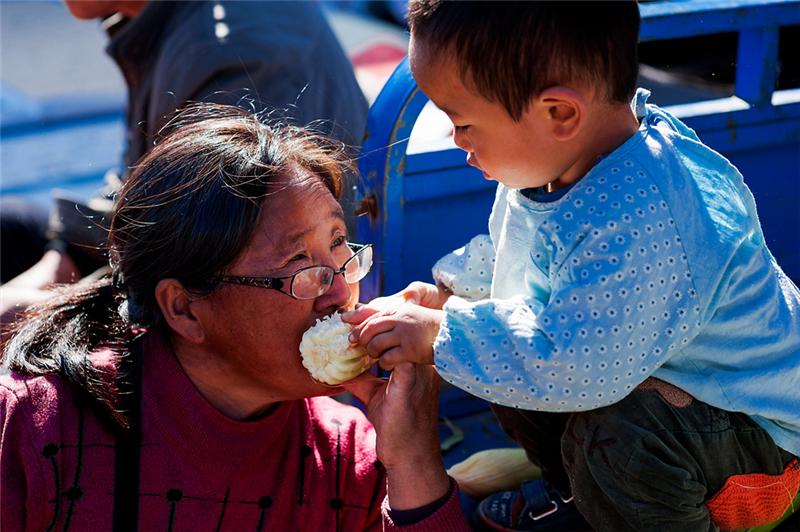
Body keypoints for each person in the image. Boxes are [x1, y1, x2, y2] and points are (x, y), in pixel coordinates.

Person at [343, 2, 800, 531]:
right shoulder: (570, 160)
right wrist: (450, 298)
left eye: (463, 122)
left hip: (761, 438)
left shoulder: (647, 215)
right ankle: (580, 498)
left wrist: (443, 335)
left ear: (559, 113)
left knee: (619, 434)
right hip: (649, 376)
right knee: (501, 350)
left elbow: (575, 366)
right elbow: (520, 252)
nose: (455, 139)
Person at [0, 104, 468, 531]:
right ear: (185, 310)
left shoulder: (352, 459)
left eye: (340, 242)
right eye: (300, 265)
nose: (341, 292)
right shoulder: (36, 432)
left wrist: (414, 462)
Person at [1, 0, 368, 323]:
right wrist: (52, 272)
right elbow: (139, 194)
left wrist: (38, 313)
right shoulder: (163, 20)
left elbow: (215, 273)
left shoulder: (230, 48)